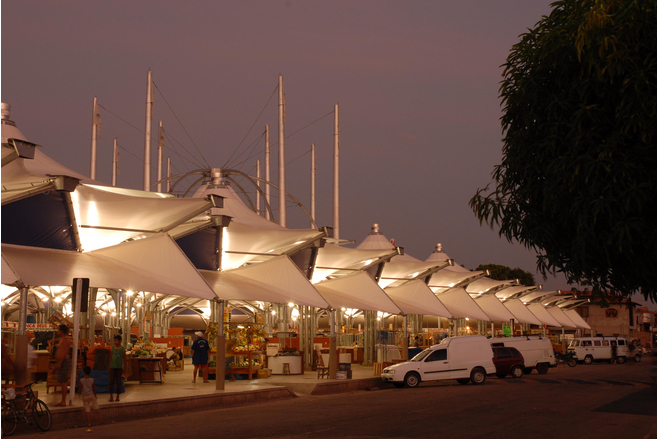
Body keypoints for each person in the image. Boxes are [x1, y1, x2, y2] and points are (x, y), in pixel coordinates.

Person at [54, 324, 71, 406]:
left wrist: (60, 363)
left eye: (58, 330)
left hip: (63, 361)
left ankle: (63, 401)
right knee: (62, 381)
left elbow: (63, 352)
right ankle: (62, 400)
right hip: (62, 361)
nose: (58, 331)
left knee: (63, 381)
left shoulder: (65, 340)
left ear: (61, 331)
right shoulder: (63, 339)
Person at [108, 335, 125, 402]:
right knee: (111, 381)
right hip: (112, 367)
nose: (115, 342)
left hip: (119, 367)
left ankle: (118, 396)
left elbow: (124, 359)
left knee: (118, 382)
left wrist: (124, 368)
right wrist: (109, 366)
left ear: (120, 341)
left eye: (116, 340)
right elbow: (110, 358)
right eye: (114, 340)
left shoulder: (123, 349)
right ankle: (111, 396)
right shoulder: (112, 349)